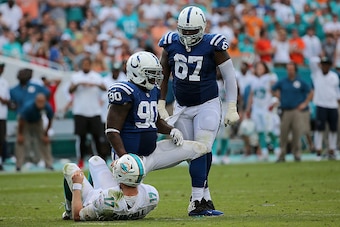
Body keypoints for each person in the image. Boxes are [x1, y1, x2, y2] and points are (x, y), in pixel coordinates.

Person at [157, 6, 239, 216]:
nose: (188, 36)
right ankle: (204, 197)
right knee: (195, 152)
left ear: (203, 28)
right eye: (184, 31)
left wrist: (231, 106)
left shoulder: (214, 44)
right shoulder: (170, 43)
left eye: (193, 31)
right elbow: (163, 74)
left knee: (202, 148)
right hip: (182, 106)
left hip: (207, 104)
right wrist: (160, 102)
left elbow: (229, 76)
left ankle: (196, 202)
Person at [105, 51, 211, 212]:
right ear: (136, 72)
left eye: (156, 74)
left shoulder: (153, 91)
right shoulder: (125, 92)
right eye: (150, 74)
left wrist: (172, 130)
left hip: (152, 153)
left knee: (200, 149)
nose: (155, 78)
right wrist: (124, 157)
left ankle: (198, 203)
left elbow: (155, 121)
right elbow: (112, 130)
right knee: (118, 205)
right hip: (129, 159)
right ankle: (79, 199)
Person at [62, 154, 158, 221]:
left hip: (95, 202)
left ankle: (68, 210)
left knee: (69, 168)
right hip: (118, 196)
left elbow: (78, 215)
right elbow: (128, 182)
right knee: (96, 160)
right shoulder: (151, 195)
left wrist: (77, 185)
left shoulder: (107, 200)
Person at [68, 57, 107, 168]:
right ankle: (81, 160)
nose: (86, 66)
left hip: (94, 111)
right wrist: (79, 83)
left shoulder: (96, 76)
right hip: (80, 111)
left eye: (87, 64)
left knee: (97, 137)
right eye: (84, 64)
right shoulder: (76, 77)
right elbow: (70, 90)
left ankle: (100, 159)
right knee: (82, 138)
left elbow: (104, 88)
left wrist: (94, 84)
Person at [272, 62, 313, 162]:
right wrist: (278, 97)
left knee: (296, 133)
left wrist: (304, 104)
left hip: (296, 110)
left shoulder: (300, 82)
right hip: (285, 110)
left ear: (295, 70)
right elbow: (273, 89)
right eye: (288, 69)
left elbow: (311, 92)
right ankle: (282, 154)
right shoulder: (283, 82)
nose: (290, 71)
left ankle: (297, 154)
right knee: (283, 134)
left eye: (292, 69)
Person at [309, 56, 340, 160]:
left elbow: (336, 90)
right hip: (321, 104)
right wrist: (320, 59)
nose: (325, 67)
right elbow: (312, 61)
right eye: (323, 64)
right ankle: (318, 150)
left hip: (332, 105)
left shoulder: (334, 76)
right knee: (319, 129)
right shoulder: (316, 75)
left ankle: (332, 149)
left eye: (327, 65)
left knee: (333, 128)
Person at [15, 93, 54, 171]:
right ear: (35, 101)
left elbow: (50, 120)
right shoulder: (28, 107)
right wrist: (20, 134)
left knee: (44, 141)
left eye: (42, 101)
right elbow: (21, 121)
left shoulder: (48, 107)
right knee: (21, 142)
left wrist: (46, 134)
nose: (40, 104)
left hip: (37, 121)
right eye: (39, 101)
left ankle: (49, 164)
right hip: (25, 122)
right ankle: (18, 165)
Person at [0, 62, 9, 170]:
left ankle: (1, 161)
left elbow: (7, 99)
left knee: (1, 140)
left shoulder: (4, 82)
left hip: (2, 115)